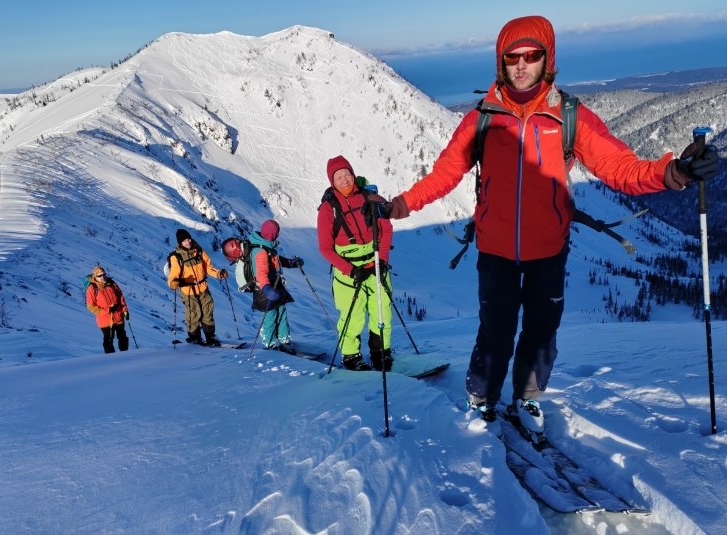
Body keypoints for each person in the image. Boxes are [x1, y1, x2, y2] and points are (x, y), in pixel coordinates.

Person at [367, 15, 720, 433]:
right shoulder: (481, 120)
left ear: (546, 59)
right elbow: (445, 175)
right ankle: (481, 397)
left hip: (549, 250)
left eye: (531, 55)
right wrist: (399, 205)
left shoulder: (569, 117)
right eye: (512, 57)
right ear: (500, 62)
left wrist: (672, 173)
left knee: (541, 332)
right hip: (496, 249)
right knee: (495, 332)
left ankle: (527, 398)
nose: (521, 64)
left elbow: (619, 167)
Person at [318, 155, 395, 371]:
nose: (344, 180)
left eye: (347, 174)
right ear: (332, 181)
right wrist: (350, 270)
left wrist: (382, 259)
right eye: (338, 177)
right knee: (352, 315)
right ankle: (351, 357)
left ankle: (381, 352)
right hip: (348, 271)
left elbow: (386, 229)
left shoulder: (371, 197)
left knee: (383, 312)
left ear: (353, 174)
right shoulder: (328, 209)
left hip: (376, 263)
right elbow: (325, 248)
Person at [246, 219, 303, 353]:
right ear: (273, 234)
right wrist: (266, 288)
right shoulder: (260, 251)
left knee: (281, 313)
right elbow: (261, 273)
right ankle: (270, 344)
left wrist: (291, 263)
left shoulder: (267, 246)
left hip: (275, 286)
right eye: (277, 231)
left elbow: (276, 260)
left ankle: (284, 340)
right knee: (270, 316)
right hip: (265, 290)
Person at [167, 228, 229, 346]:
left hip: (202, 287)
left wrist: (219, 273)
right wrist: (173, 283)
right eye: (185, 240)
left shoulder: (199, 251)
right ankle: (195, 337)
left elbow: (208, 268)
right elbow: (173, 276)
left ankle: (210, 336)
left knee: (207, 311)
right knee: (193, 314)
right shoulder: (176, 257)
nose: (188, 242)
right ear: (180, 242)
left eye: (189, 239)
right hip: (188, 291)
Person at [85, 265, 129, 354]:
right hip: (105, 320)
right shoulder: (92, 288)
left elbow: (120, 297)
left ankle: (125, 355)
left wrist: (125, 310)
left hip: (118, 315)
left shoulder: (111, 283)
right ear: (95, 276)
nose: (102, 277)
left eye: (103, 274)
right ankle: (111, 359)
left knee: (122, 336)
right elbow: (91, 306)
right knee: (108, 339)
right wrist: (107, 310)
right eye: (99, 276)